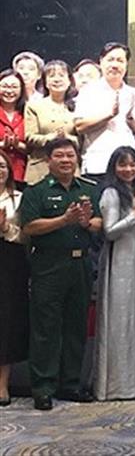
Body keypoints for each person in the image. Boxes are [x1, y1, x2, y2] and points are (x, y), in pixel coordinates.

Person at [21, 137, 101, 410]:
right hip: (49, 265)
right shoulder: (36, 191)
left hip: (81, 265)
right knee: (46, 328)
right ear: (48, 160)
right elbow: (29, 227)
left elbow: (99, 222)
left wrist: (86, 222)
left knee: (76, 326)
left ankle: (71, 384)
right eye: (59, 155)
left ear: (77, 159)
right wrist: (63, 220)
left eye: (70, 155)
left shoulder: (88, 189)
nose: (66, 160)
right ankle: (43, 387)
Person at [93, 146, 135, 401]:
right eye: (122, 164)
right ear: (113, 167)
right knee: (120, 319)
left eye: (132, 164)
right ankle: (116, 385)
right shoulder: (111, 192)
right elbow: (110, 231)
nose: (128, 169)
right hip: (119, 260)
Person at [73, 42, 135, 180]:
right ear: (101, 62)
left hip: (128, 166)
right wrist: (109, 115)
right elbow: (79, 127)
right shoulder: (89, 91)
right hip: (98, 164)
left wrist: (131, 119)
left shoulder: (134, 93)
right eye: (110, 59)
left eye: (120, 60)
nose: (115, 65)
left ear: (126, 65)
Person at [0, 151, 27, 407]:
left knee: (5, 321)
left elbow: (26, 236)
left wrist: (5, 228)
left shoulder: (19, 198)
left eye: (2, 166)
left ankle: (3, 385)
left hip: (9, 261)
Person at [24, 60, 79, 185]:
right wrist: (50, 138)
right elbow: (29, 137)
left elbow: (83, 139)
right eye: (51, 76)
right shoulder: (34, 106)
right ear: (45, 82)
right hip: (40, 167)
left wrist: (67, 137)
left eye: (61, 75)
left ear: (69, 80)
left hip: (70, 168)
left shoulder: (78, 105)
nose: (57, 79)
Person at [0, 70, 28, 185]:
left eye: (14, 87)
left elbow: (36, 149)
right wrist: (2, 145)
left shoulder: (29, 112)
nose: (9, 91)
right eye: (5, 86)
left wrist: (19, 146)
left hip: (21, 173)